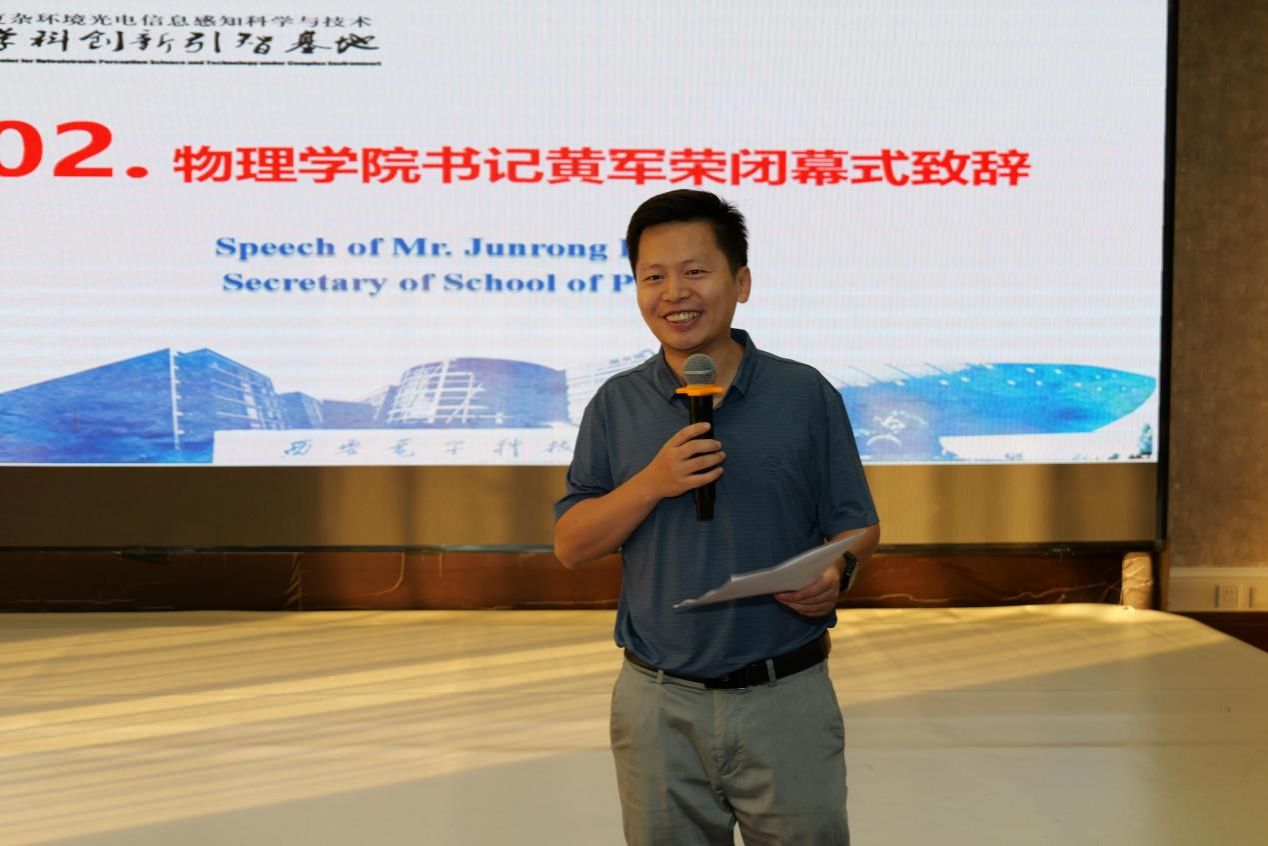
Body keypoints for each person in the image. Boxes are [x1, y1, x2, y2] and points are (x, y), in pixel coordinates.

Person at [554, 189, 880, 845]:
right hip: (657, 705)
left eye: (696, 271)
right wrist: (652, 483)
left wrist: (837, 571)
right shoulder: (616, 405)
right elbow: (571, 544)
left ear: (742, 283)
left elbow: (857, 523)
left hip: (785, 696)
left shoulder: (804, 393)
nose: (675, 293)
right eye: (653, 276)